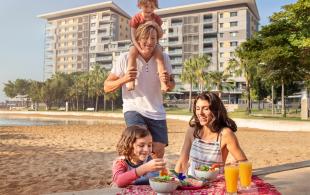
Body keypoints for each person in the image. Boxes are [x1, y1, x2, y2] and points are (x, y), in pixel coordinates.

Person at [104, 22, 175, 158]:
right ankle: (132, 173)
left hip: (157, 111)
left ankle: (151, 177)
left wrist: (168, 82)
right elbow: (107, 86)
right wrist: (124, 79)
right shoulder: (125, 58)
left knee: (158, 150)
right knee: (141, 142)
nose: (149, 42)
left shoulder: (164, 58)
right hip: (134, 109)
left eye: (153, 38)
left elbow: (172, 85)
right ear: (137, 40)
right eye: (145, 38)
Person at [175, 92, 247, 177]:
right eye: (197, 108)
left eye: (205, 108)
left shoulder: (225, 134)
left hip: (214, 185)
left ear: (215, 110)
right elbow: (182, 162)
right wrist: (175, 181)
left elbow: (244, 164)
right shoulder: (192, 130)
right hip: (192, 183)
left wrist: (227, 166)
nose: (200, 113)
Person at [126, 0, 169, 92]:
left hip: (154, 44)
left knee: (160, 58)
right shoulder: (136, 19)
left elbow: (160, 35)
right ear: (140, 5)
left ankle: (163, 83)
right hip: (137, 43)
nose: (149, 9)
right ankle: (131, 81)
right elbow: (133, 38)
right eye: (146, 7)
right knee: (132, 54)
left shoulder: (156, 18)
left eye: (152, 7)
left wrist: (155, 25)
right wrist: (140, 50)